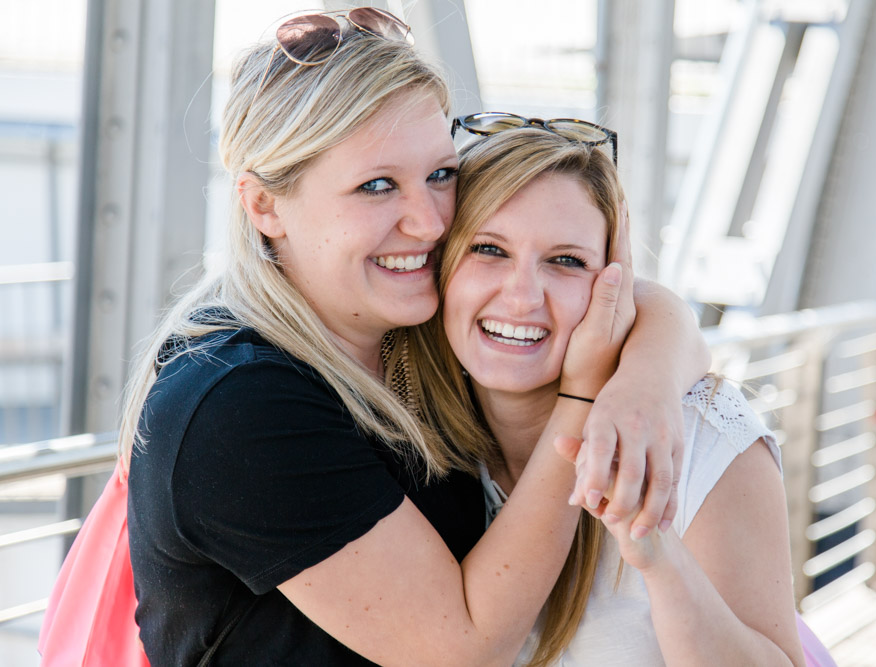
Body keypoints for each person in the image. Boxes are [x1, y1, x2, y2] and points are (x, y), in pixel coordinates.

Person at [118, 10, 709, 665]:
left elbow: (629, 307)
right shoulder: (237, 403)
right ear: (263, 205)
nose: (429, 222)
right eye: (376, 186)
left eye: (440, 175)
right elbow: (463, 648)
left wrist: (646, 381)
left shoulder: (405, 332)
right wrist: (584, 396)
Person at [406, 124, 815, 666]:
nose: (523, 296)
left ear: (612, 283)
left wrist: (658, 555)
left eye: (566, 261)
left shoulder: (700, 439)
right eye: (488, 249)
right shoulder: (405, 426)